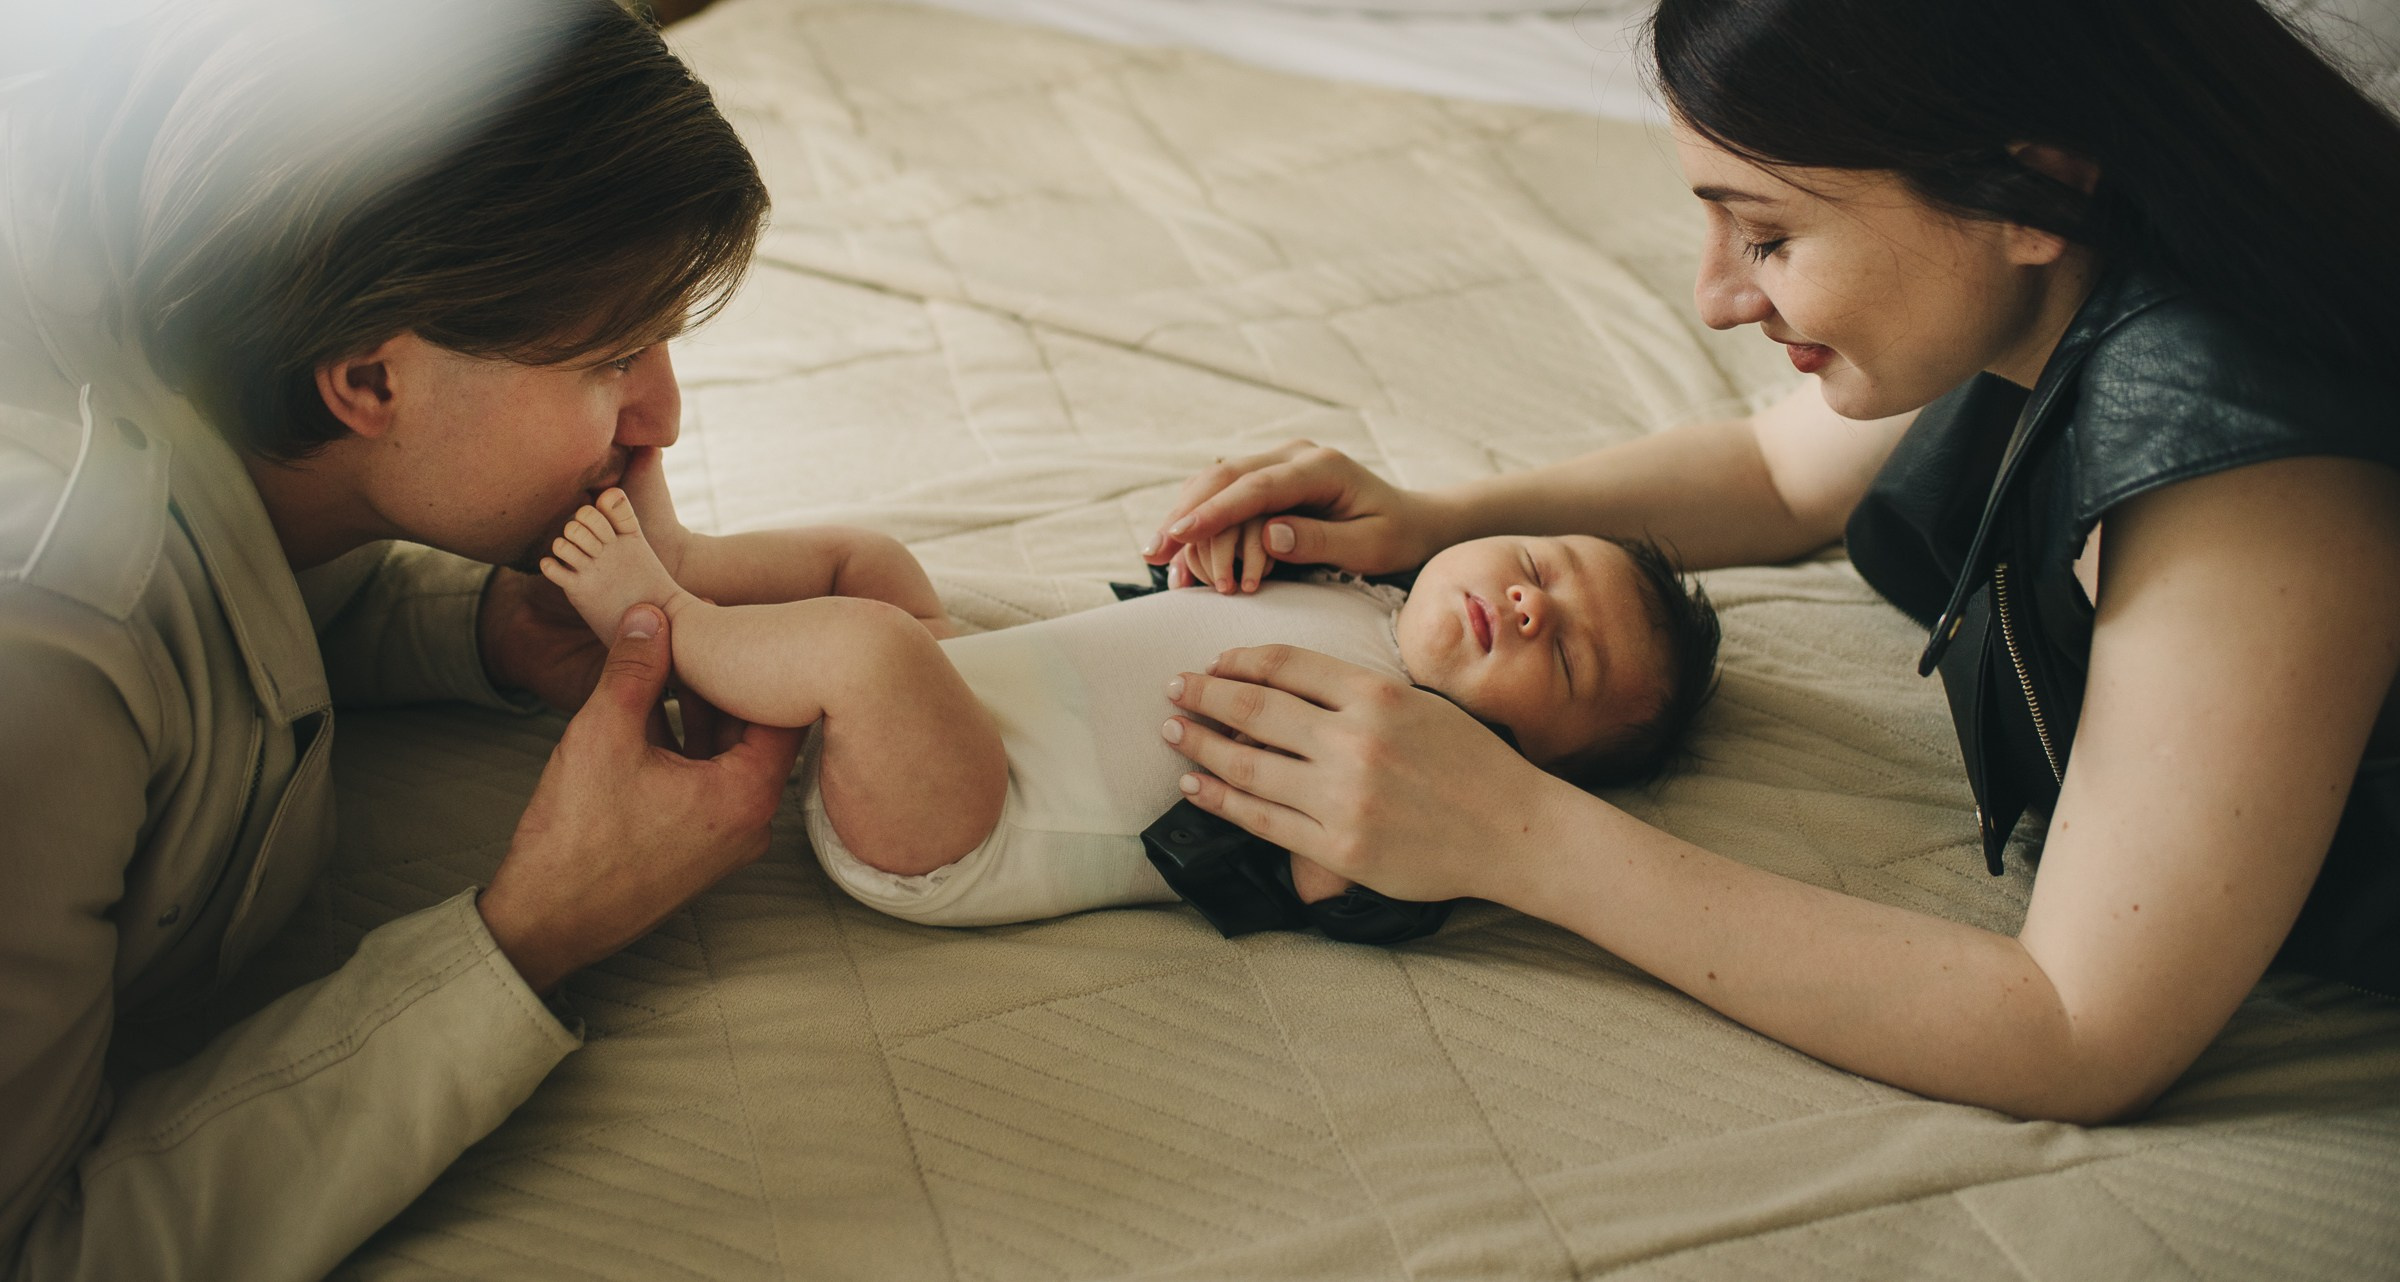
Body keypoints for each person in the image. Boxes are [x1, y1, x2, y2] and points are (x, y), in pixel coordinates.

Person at [1135, 0, 2400, 1125]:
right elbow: (1778, 477)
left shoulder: (2253, 479)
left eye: (1772, 236)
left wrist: (1512, 831)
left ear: (2033, 185)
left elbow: (2074, 1029)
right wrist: (1430, 520)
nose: (1718, 298)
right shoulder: (2067, 265)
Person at [0, 0, 804, 1280]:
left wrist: (483, 627)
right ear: (370, 378)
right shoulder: (49, 637)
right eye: (615, 359)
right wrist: (531, 927)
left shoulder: (224, 288)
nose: (663, 420)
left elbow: (243, 576)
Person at [528, 450, 1718, 926]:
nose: (1529, 607)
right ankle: (691, 566)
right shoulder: (1361, 594)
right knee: (870, 568)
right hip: (966, 693)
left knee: (867, 653)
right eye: (1538, 568)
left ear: (1531, 764)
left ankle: (664, 619)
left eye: (1567, 656)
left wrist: (1356, 873)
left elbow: (1333, 878)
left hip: (968, 822)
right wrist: (1218, 556)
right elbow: (1174, 603)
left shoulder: (1408, 776)